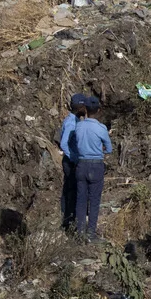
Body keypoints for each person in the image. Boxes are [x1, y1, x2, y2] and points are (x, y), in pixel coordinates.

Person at [72, 96, 111, 238]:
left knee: (81, 199)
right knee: (94, 200)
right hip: (96, 165)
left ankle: (80, 232)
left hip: (81, 165)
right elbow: (109, 149)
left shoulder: (78, 126)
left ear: (85, 109)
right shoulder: (101, 128)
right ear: (99, 110)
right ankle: (91, 233)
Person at [59, 93, 86, 231]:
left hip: (72, 160)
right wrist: (75, 158)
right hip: (70, 162)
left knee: (71, 189)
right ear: (79, 107)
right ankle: (67, 220)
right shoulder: (71, 122)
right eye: (83, 106)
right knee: (70, 190)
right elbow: (64, 144)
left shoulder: (75, 120)